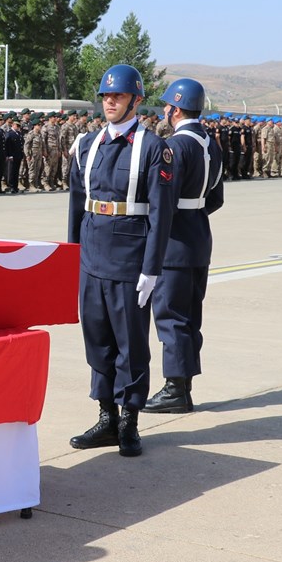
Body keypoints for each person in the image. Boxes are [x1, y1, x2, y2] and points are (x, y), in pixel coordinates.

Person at [67, 64, 171, 457]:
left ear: (136, 101)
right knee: (97, 339)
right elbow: (77, 205)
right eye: (106, 96)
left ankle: (129, 420)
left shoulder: (152, 147)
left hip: (130, 258)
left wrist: (152, 268)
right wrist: (70, 254)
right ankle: (106, 415)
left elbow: (161, 214)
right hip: (92, 254)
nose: (110, 102)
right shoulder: (87, 144)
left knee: (130, 343)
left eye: (119, 96)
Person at [144, 78, 225, 415]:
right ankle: (184, 384)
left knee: (171, 316)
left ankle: (176, 388)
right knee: (190, 316)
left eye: (167, 105)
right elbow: (216, 199)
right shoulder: (211, 143)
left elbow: (163, 200)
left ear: (175, 109)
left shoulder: (175, 146)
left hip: (174, 239)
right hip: (198, 234)